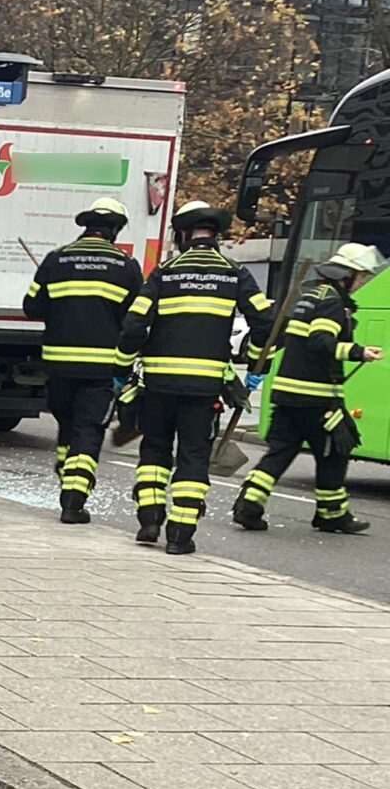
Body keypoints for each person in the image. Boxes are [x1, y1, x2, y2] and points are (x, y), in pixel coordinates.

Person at [114, 200, 272, 555]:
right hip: (204, 388)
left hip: (158, 384)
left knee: (154, 449)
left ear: (184, 234)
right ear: (217, 235)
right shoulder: (235, 273)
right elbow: (265, 322)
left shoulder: (164, 273)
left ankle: (150, 521)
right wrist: (258, 366)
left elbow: (134, 325)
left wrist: (121, 369)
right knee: (194, 456)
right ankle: (181, 536)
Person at [233, 242, 386, 534]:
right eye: (361, 276)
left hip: (288, 394)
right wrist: (359, 352)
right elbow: (321, 342)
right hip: (315, 398)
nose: (363, 282)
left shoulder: (311, 295)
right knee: (334, 452)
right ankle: (331, 514)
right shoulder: (331, 303)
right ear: (346, 275)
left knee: (281, 451)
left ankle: (249, 505)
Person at [23, 198, 144, 524]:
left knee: (67, 427)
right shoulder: (126, 266)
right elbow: (137, 320)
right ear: (116, 229)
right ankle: (74, 500)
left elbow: (31, 308)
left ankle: (67, 478)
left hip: (58, 366)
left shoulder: (56, 259)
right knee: (88, 431)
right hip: (102, 369)